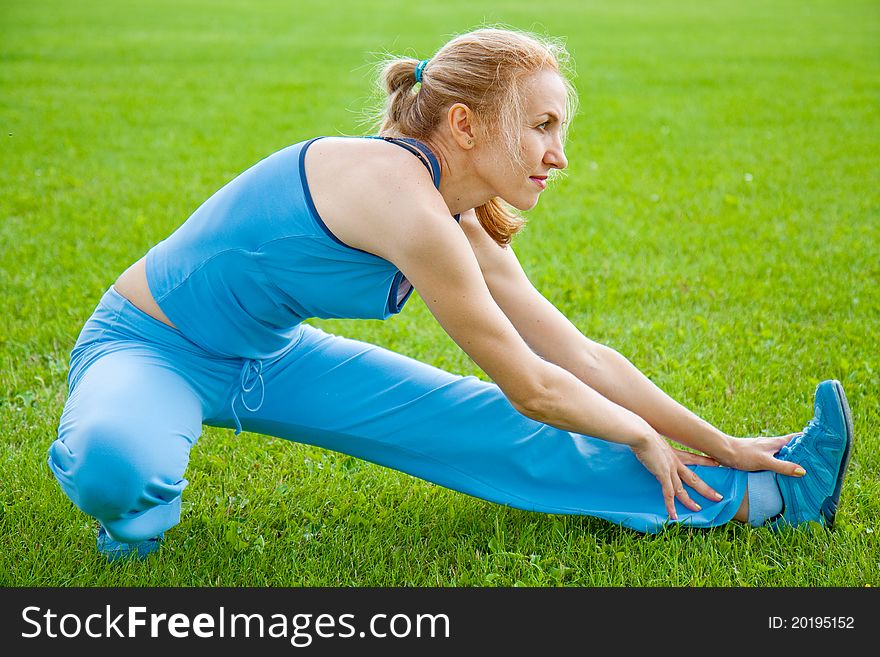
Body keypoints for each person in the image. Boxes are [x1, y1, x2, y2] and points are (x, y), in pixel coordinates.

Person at [48, 28, 854, 561]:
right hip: (149, 343)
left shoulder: (455, 218)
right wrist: (639, 435)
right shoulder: (400, 198)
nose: (559, 154)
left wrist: (721, 441)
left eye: (560, 131)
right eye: (541, 126)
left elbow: (571, 354)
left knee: (487, 430)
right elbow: (536, 384)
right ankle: (137, 520)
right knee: (117, 463)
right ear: (464, 125)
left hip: (270, 357)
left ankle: (768, 491)